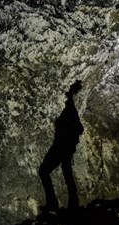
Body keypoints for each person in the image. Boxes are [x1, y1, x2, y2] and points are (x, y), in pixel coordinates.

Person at [38, 80, 84, 213]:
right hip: (64, 145)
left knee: (47, 171)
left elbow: (78, 128)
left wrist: (65, 135)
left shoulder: (69, 106)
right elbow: (79, 128)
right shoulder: (70, 106)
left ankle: (57, 203)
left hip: (62, 145)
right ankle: (70, 203)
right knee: (63, 169)